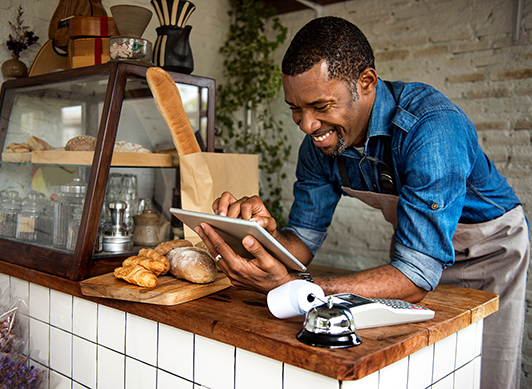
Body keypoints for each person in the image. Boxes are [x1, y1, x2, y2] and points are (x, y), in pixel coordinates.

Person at [195, 16, 529, 389]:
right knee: (423, 365)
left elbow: (415, 276)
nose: (307, 126)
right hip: (415, 248)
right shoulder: (319, 145)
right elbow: (302, 242)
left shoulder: (432, 129)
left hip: (491, 248)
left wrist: (296, 285)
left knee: (486, 368)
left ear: (365, 83)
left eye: (320, 105)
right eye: (295, 108)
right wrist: (258, 239)